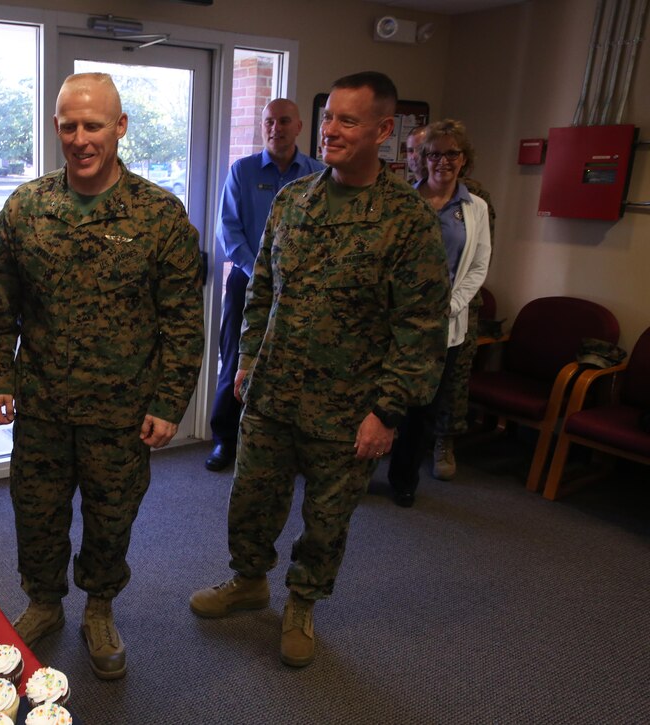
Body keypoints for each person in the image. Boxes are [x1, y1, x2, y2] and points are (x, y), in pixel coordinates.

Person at [189, 71, 450, 668]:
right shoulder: (293, 199)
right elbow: (261, 290)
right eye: (328, 117)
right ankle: (248, 580)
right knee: (252, 498)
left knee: (326, 518)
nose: (330, 130)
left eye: (347, 121)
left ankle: (302, 603)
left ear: (384, 131)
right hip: (273, 391)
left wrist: (387, 411)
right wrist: (248, 357)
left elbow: (421, 328)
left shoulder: (405, 222)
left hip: (347, 405)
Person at [0, 72, 204, 680]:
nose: (81, 138)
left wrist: (170, 401)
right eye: (69, 125)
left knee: (111, 516)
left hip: (121, 413)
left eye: (94, 125)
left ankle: (99, 609)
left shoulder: (159, 215)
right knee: (37, 511)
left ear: (120, 127)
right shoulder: (25, 207)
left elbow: (183, 320)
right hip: (43, 407)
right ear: (56, 127)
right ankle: (44, 603)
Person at [206, 98, 324, 472]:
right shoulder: (243, 171)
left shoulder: (319, 174)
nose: (276, 128)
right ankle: (225, 440)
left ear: (299, 126)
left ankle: (283, 445)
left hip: (299, 289)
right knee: (237, 362)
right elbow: (229, 229)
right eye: (269, 122)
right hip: (246, 283)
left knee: (292, 365)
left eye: (284, 121)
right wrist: (258, 271)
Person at [387, 120, 492, 507]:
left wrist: (448, 307)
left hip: (442, 325)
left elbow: (479, 266)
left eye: (451, 154)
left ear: (464, 159)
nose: (442, 162)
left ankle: (403, 480)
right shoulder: (402, 201)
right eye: (434, 153)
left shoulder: (475, 208)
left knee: (419, 409)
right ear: (421, 159)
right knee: (376, 400)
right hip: (395, 320)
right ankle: (357, 473)